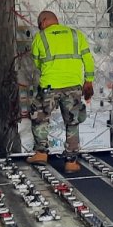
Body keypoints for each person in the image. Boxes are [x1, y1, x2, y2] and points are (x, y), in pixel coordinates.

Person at [28, 11, 95, 173]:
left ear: (43, 22)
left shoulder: (40, 37)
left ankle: (41, 154)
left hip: (49, 86)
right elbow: (88, 59)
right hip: (73, 86)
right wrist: (88, 80)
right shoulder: (75, 35)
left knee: (40, 117)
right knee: (72, 122)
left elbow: (37, 62)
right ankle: (71, 162)